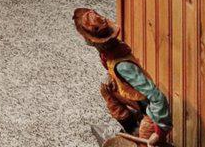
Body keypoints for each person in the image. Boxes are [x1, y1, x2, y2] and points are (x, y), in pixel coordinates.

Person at [73, 7, 172, 146]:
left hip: (152, 111)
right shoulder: (109, 53)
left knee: (147, 138)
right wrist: (112, 78)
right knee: (106, 89)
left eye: (85, 37)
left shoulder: (123, 67)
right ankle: (132, 128)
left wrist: (159, 132)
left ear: (92, 41)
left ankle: (146, 132)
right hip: (137, 101)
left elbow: (158, 97)